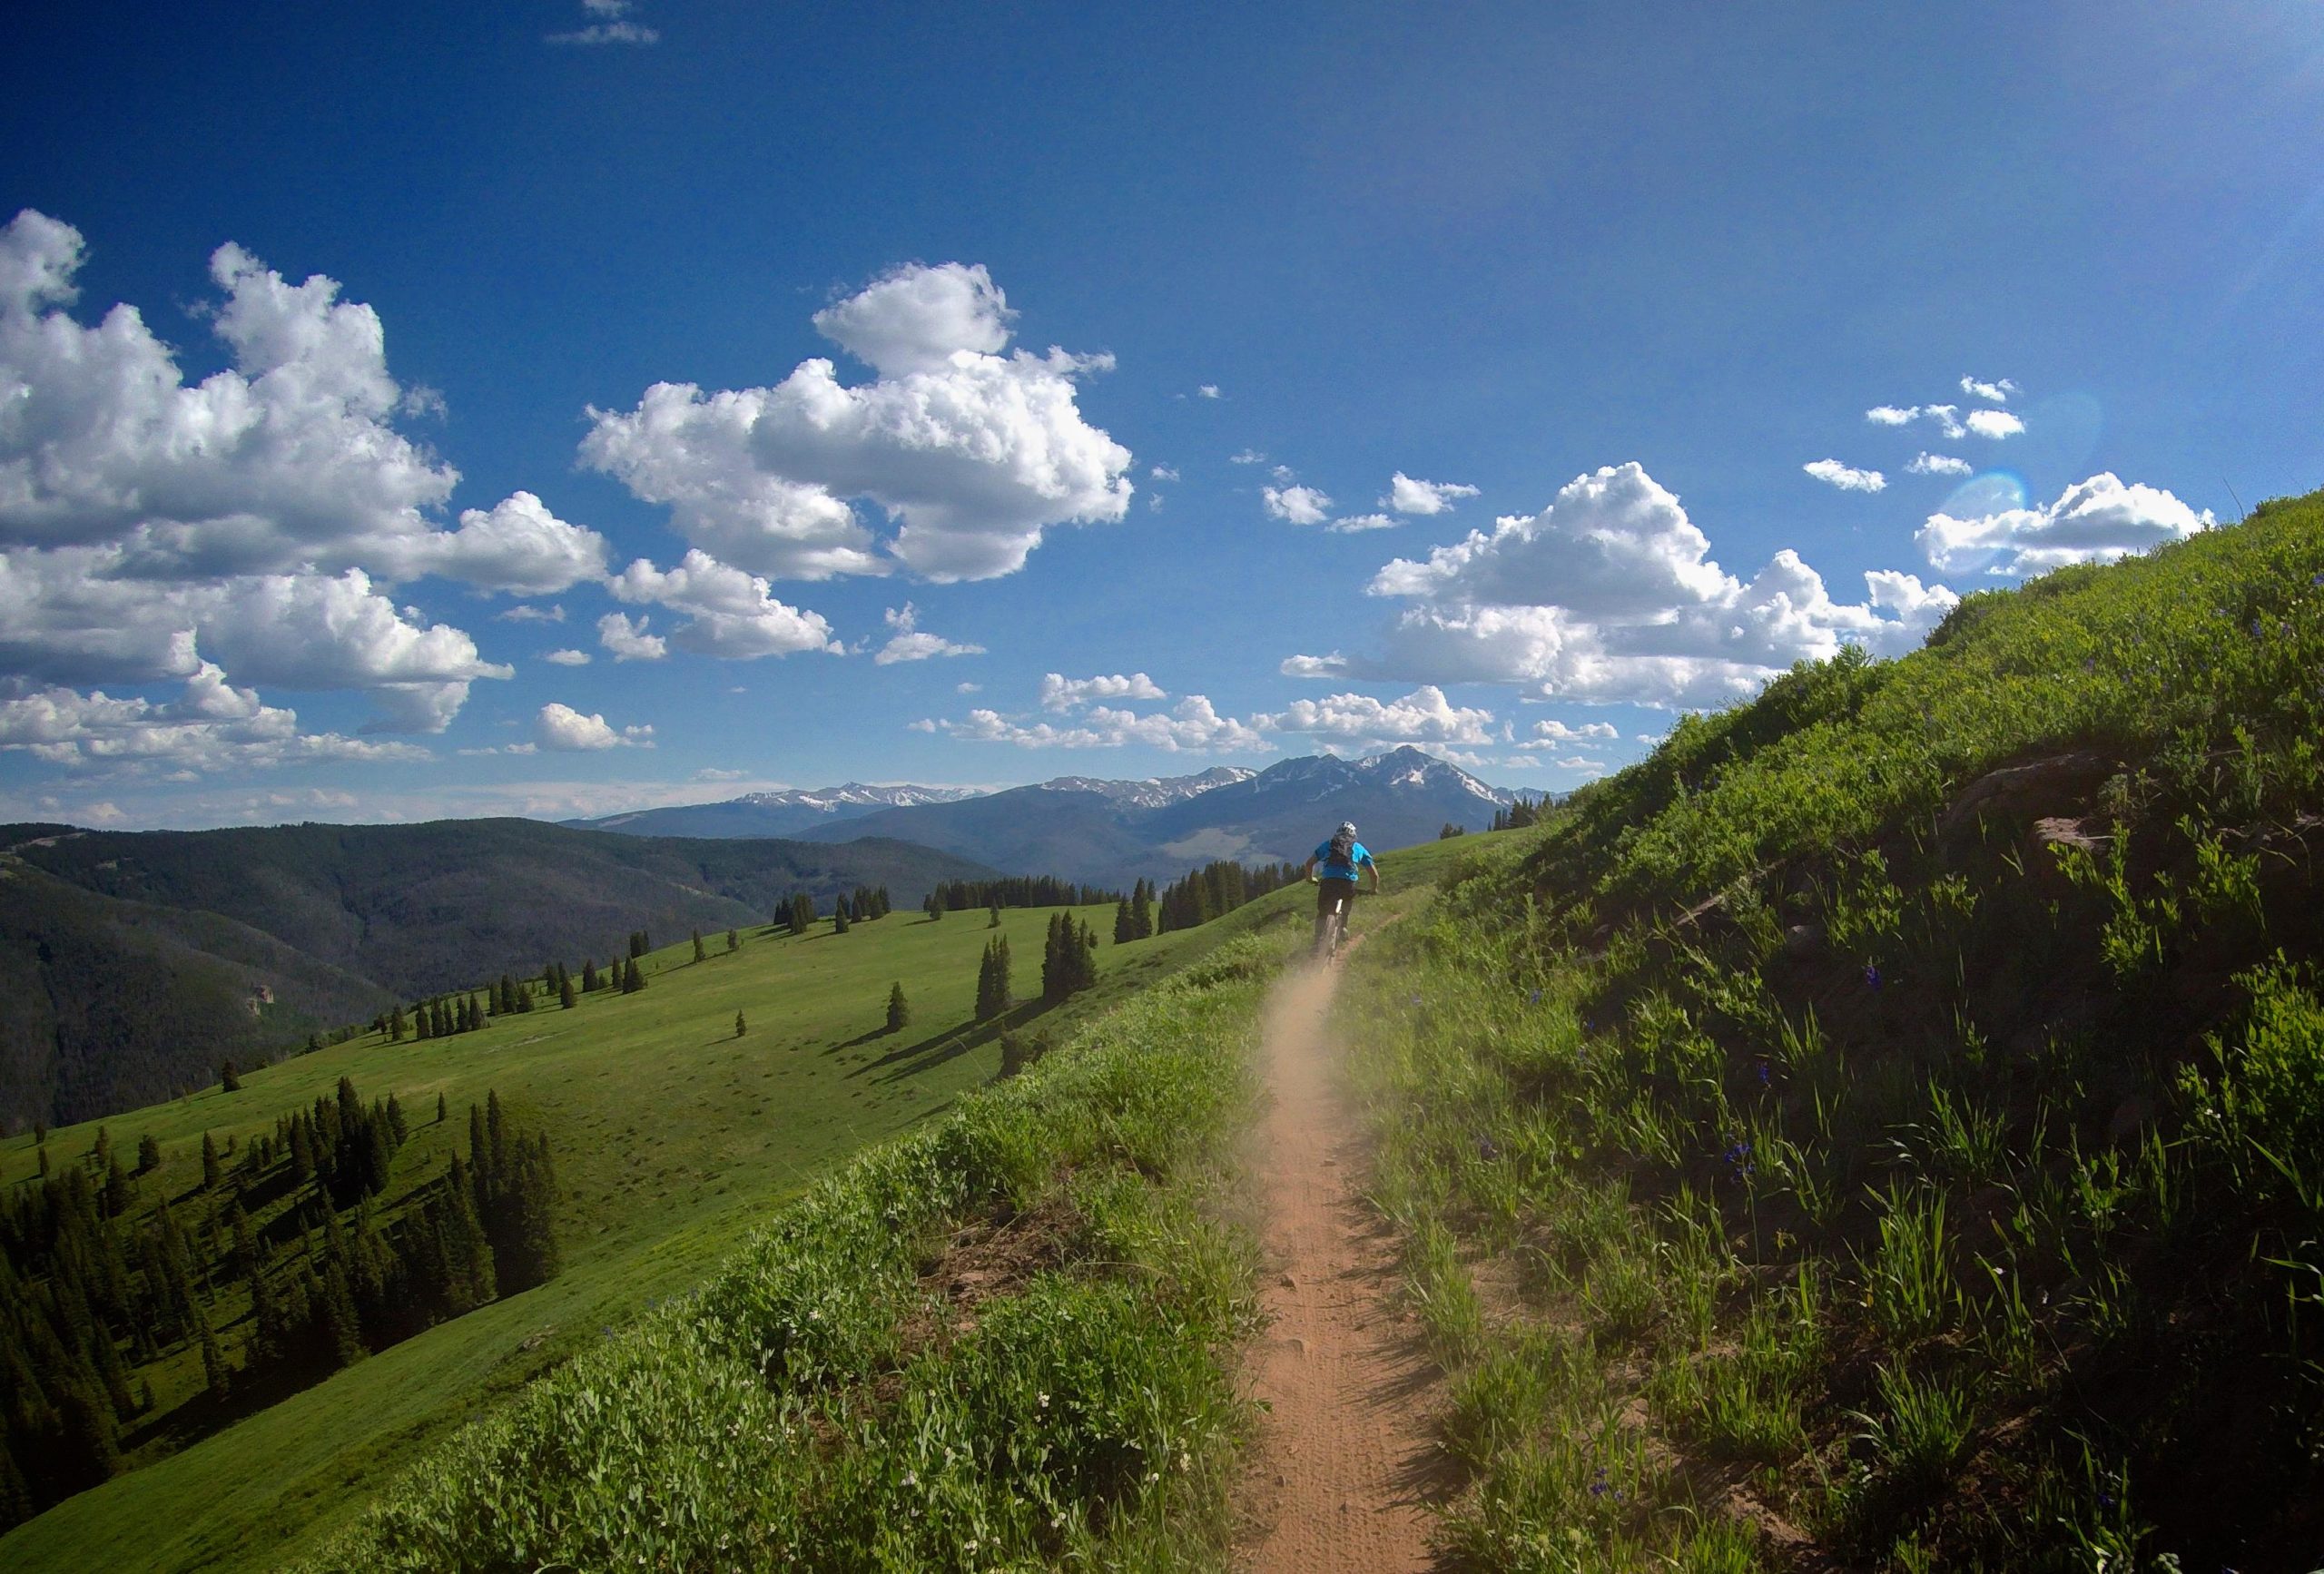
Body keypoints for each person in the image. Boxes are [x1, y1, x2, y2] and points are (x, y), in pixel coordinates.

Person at [1299, 821, 1379, 956]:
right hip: (1348, 883)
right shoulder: (1358, 847)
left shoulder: (1328, 845)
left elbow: (1309, 864)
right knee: (1347, 902)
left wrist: (1310, 879)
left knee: (1323, 913)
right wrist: (1373, 889)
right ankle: (1343, 928)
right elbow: (1374, 874)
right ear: (1354, 835)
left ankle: (1317, 943)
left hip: (1329, 882)